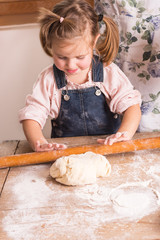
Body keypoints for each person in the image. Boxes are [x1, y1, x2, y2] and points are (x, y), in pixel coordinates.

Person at [19, 0, 141, 152]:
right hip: (65, 154)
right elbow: (31, 116)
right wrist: (39, 142)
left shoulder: (109, 73)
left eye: (80, 57)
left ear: (94, 41)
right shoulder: (48, 79)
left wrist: (124, 134)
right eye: (62, 57)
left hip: (108, 150)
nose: (71, 65)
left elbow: (132, 107)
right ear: (51, 44)